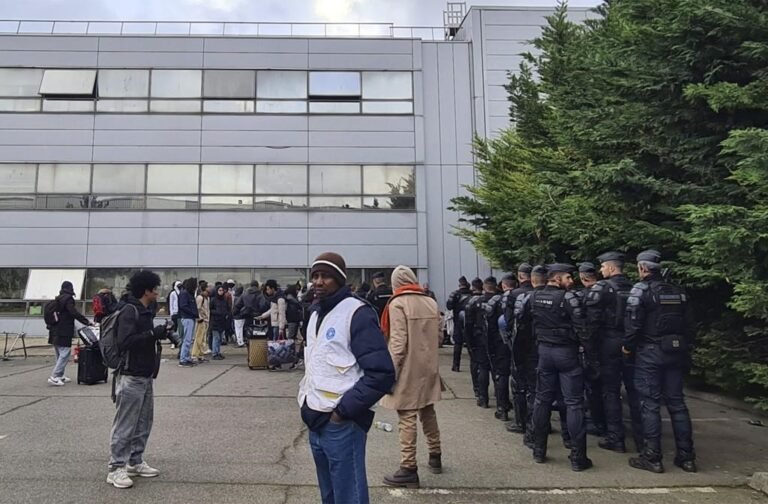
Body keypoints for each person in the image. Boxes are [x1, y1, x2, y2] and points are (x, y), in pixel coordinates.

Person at [298, 252, 395, 504]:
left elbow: (381, 373)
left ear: (340, 279)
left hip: (342, 423)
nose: (318, 282)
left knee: (349, 496)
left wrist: (343, 412)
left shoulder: (357, 313)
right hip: (315, 418)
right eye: (315, 276)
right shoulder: (315, 313)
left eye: (326, 276)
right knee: (329, 495)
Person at [624, 250, 696, 474]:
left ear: (642, 268)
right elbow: (689, 324)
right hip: (675, 350)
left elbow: (633, 324)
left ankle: (652, 457)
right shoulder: (677, 291)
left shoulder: (641, 290)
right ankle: (687, 458)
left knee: (650, 404)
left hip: (650, 353)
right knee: (677, 403)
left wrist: (628, 347)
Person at [522, 263, 592, 471]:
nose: (571, 281)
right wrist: (591, 357)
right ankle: (578, 457)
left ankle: (539, 450)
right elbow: (583, 329)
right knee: (574, 403)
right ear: (557, 278)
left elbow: (523, 324)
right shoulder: (568, 298)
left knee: (542, 400)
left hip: (544, 353)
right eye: (568, 277)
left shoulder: (534, 297)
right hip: (566, 354)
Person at [107, 270, 172, 489]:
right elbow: (125, 342)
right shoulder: (130, 310)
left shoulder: (144, 311)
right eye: (155, 289)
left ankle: (135, 461)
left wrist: (157, 334)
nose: (157, 293)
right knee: (125, 423)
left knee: (144, 422)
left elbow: (142, 339)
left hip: (144, 374)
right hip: (130, 374)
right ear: (146, 290)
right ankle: (116, 467)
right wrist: (153, 334)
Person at [379, 266, 443, 489]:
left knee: (406, 415)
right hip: (428, 366)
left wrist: (390, 373)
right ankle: (435, 455)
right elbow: (439, 336)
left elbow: (398, 343)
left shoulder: (397, 303)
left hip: (407, 367)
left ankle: (408, 468)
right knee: (427, 409)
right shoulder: (430, 301)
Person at [585, 251, 642, 453]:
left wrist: (590, 351)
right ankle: (641, 439)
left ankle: (615, 438)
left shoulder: (603, 287)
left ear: (610, 267)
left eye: (602, 267)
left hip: (608, 342)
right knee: (634, 391)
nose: (601, 270)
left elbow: (592, 322)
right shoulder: (634, 287)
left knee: (610, 391)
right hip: (630, 343)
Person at [576, 262, 606, 438]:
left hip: (592, 347)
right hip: (612, 345)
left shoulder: (584, 295)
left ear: (582, 277)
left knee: (593, 385)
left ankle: (598, 422)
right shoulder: (608, 290)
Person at [47, 281, 94, 386]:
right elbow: (73, 312)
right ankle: (55, 376)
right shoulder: (68, 299)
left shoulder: (58, 299)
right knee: (65, 353)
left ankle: (60, 375)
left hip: (54, 330)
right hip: (64, 330)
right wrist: (86, 322)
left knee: (59, 354)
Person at [505, 264, 533, 433]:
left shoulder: (514, 295)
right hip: (539, 346)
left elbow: (508, 322)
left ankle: (521, 422)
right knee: (537, 388)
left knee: (519, 386)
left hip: (519, 346)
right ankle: (540, 424)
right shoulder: (539, 293)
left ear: (520, 276)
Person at [463, 277, 491, 408]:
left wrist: (469, 342)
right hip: (495, 340)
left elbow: (467, 323)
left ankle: (481, 394)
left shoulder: (472, 301)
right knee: (498, 371)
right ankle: (502, 402)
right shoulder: (499, 299)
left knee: (480, 366)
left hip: (479, 338)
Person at [446, 277, 472, 372]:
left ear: (459, 284)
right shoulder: (472, 294)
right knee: (471, 344)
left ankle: (456, 365)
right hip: (470, 323)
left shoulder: (455, 294)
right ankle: (475, 364)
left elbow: (449, 306)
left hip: (458, 322)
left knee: (458, 344)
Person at [177, 277, 198, 368]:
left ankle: (187, 357)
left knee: (189, 339)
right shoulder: (184, 294)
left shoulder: (188, 293)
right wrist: (193, 312)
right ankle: (183, 359)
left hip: (190, 318)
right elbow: (183, 306)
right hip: (187, 318)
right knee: (187, 339)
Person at [210, 285, 230, 360]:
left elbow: (228, 308)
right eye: (219, 290)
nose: (221, 292)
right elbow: (210, 309)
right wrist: (217, 312)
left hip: (222, 321)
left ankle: (218, 352)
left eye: (222, 290)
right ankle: (215, 353)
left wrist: (227, 314)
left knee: (220, 338)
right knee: (216, 338)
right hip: (215, 321)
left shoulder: (224, 300)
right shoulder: (213, 300)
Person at [191, 282, 210, 362]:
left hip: (206, 321)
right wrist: (200, 318)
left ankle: (200, 354)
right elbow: (197, 309)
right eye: (208, 287)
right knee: (198, 338)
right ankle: (194, 354)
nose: (209, 289)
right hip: (201, 321)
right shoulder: (200, 298)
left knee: (203, 339)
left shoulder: (206, 298)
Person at [167, 281, 182, 349]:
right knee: (174, 328)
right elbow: (171, 303)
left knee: (180, 328)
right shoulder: (173, 293)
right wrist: (171, 313)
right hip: (174, 313)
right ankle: (173, 342)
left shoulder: (182, 292)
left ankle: (179, 341)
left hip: (180, 313)